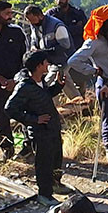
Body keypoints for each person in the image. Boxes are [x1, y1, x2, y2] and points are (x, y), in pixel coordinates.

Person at [5, 50, 66, 203]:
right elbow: (9, 108)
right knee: (44, 164)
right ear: (39, 66)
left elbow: (44, 96)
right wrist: (34, 119)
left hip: (52, 128)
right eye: (45, 62)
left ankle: (56, 184)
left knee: (56, 158)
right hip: (40, 132)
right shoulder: (24, 87)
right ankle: (44, 194)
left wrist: (58, 86)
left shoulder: (40, 80)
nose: (48, 64)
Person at [68, 5, 108, 152]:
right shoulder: (93, 41)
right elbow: (73, 61)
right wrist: (93, 71)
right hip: (107, 84)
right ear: (106, 23)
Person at [0, 0, 27, 159]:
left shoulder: (16, 32)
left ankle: (29, 146)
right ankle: (7, 148)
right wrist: (1, 80)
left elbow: (26, 59)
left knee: (26, 114)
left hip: (19, 82)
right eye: (7, 13)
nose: (10, 16)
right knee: (1, 117)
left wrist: (15, 80)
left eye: (11, 13)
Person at [23, 5, 77, 98]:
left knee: (52, 77)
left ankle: (39, 95)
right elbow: (34, 39)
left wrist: (44, 51)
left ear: (40, 16)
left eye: (32, 20)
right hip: (48, 60)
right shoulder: (34, 25)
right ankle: (78, 101)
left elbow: (65, 46)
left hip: (63, 59)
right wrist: (33, 47)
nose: (31, 23)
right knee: (64, 80)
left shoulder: (56, 25)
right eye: (29, 20)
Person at [47, 0, 89, 97]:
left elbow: (86, 31)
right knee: (59, 85)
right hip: (59, 57)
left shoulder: (78, 13)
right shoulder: (51, 15)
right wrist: (74, 28)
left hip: (77, 54)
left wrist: (64, 30)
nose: (58, 1)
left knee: (80, 85)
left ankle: (81, 106)